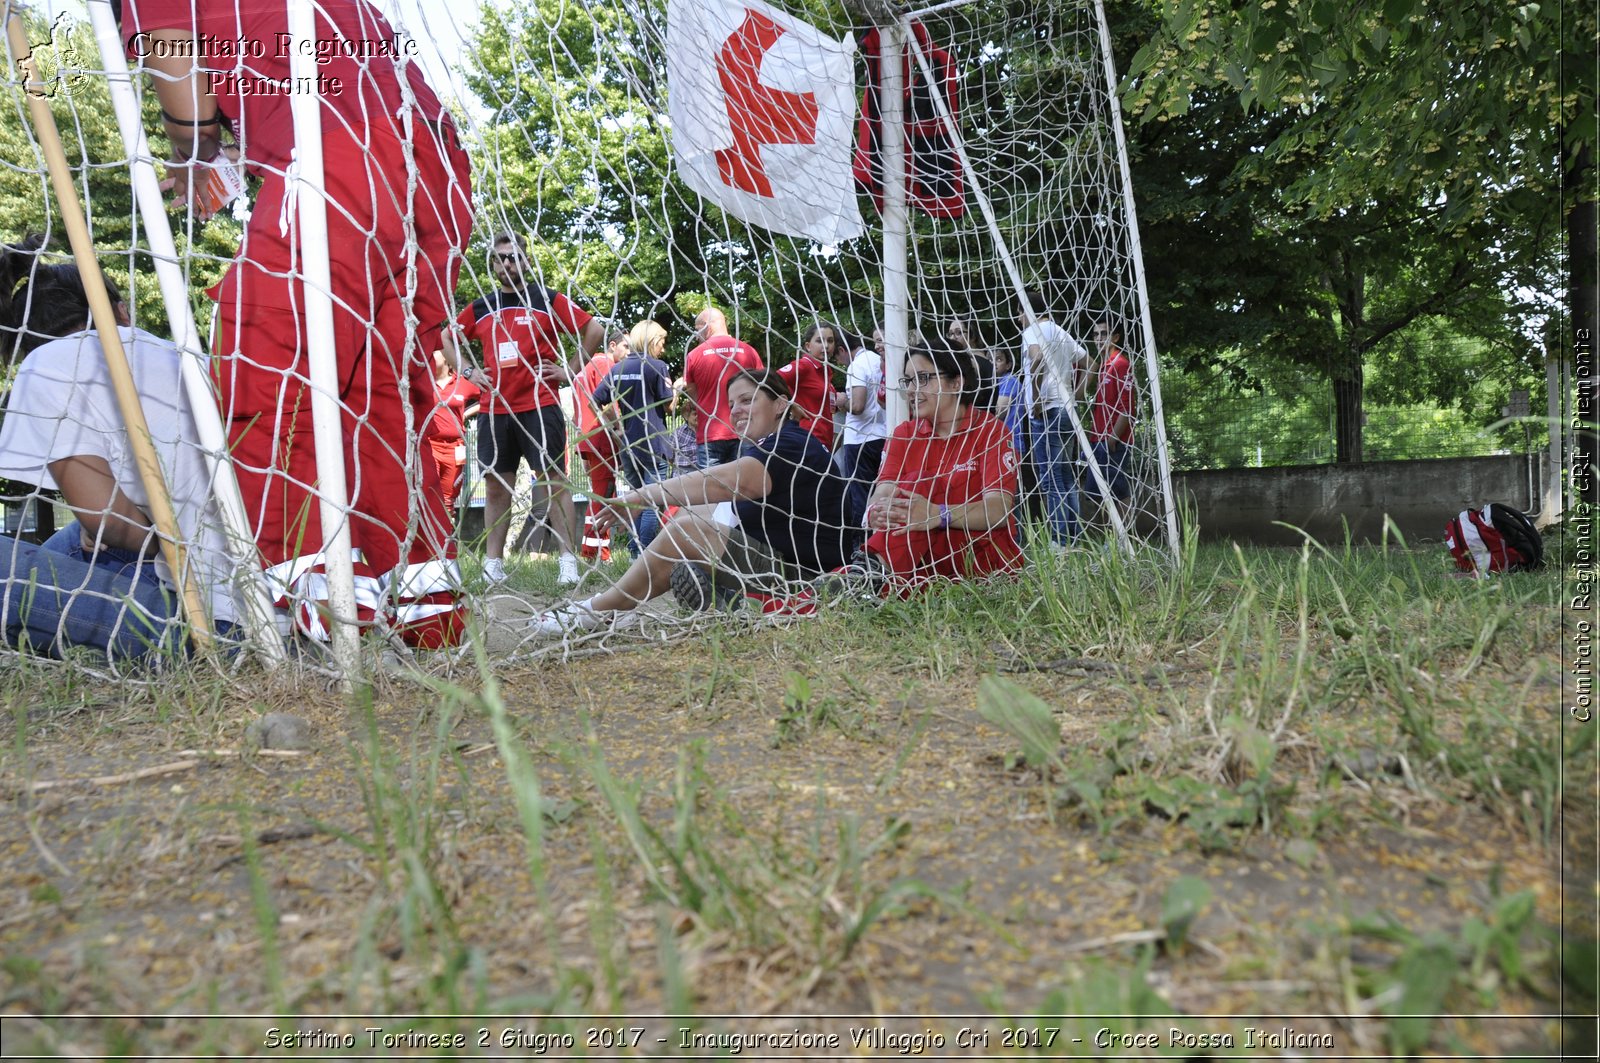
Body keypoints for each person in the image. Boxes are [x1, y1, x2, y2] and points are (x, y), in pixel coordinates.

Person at [121, 0, 474, 647]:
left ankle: (319, 608)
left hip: (339, 145)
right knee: (380, 396)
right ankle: (425, 607)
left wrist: (193, 149)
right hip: (434, 158)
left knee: (267, 372)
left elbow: (173, 51)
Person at [0, 241, 237, 661]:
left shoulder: (46, 366)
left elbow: (110, 522)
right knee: (72, 539)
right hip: (258, 586)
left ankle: (186, 646)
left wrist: (128, 535)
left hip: (204, 618)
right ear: (121, 310)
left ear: (21, 342)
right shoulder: (178, 353)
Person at [531, 368, 857, 635]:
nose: (738, 410)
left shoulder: (790, 442)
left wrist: (640, 497)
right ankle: (721, 598)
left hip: (809, 578)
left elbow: (728, 482)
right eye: (733, 404)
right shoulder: (777, 441)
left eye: (748, 399)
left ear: (780, 404)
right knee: (693, 516)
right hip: (783, 562)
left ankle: (598, 610)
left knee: (688, 528)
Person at [442, 232, 605, 586]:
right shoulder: (482, 306)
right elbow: (447, 338)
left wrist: (570, 370)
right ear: (493, 265)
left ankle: (567, 562)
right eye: (500, 258)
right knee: (497, 486)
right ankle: (493, 565)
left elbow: (593, 329)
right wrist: (468, 371)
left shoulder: (547, 299)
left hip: (540, 406)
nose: (508, 264)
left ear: (526, 261)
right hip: (494, 410)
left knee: (553, 482)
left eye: (514, 257)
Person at [847, 341, 1023, 590]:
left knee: (922, 483)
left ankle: (870, 575)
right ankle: (866, 578)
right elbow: (884, 490)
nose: (911, 390)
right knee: (826, 593)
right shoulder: (904, 434)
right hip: (921, 563)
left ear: (956, 383)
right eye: (908, 381)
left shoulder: (990, 430)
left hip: (981, 563)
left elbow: (999, 510)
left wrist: (937, 514)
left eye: (923, 378)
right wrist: (876, 510)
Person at [1017, 288, 1090, 548]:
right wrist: (1077, 393)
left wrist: (1036, 395)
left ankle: (1059, 541)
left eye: (1020, 313)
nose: (1019, 319)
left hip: (1047, 411)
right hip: (1068, 410)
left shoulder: (1032, 332)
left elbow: (1036, 357)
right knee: (1067, 476)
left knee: (1051, 478)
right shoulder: (1060, 331)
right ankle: (1074, 538)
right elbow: (1088, 362)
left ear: (1026, 311)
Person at [592, 320, 675, 549]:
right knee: (652, 501)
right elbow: (669, 406)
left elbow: (595, 400)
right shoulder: (657, 366)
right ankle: (643, 553)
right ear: (652, 341)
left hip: (628, 445)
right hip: (654, 444)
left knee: (634, 501)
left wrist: (616, 427)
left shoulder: (618, 368)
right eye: (661, 343)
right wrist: (677, 388)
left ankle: (633, 554)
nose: (663, 349)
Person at [682, 305, 763, 468]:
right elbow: (762, 387)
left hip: (710, 434)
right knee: (745, 488)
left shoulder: (694, 355)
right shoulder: (749, 351)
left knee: (712, 489)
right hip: (744, 431)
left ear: (707, 326)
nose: (697, 337)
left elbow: (691, 392)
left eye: (697, 330)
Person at [571, 330, 624, 551]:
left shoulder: (586, 366)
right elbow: (608, 403)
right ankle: (595, 552)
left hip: (587, 437)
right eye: (627, 347)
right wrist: (621, 429)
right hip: (602, 437)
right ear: (612, 345)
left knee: (601, 494)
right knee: (603, 497)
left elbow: (577, 411)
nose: (630, 353)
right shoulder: (605, 364)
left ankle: (593, 547)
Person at [833, 324, 887, 525]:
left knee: (861, 496)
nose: (838, 362)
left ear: (842, 350)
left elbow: (857, 406)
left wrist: (841, 402)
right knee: (880, 493)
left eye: (836, 356)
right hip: (883, 436)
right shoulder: (877, 359)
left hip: (861, 440)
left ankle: (861, 545)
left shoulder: (857, 365)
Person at [1084, 318, 1135, 505]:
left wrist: (1113, 438)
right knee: (1098, 495)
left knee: (1117, 492)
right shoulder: (1103, 367)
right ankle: (1109, 535)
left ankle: (1125, 534)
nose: (1099, 338)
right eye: (1096, 334)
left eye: (1104, 334)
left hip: (1113, 441)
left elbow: (1127, 408)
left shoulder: (1120, 364)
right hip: (1098, 439)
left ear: (1116, 337)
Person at [426, 347, 480, 518]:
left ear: (447, 357)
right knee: (429, 492)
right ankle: (430, 537)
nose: (432, 355)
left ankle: (447, 539)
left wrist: (466, 413)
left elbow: (489, 396)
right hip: (430, 446)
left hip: (455, 448)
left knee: (449, 497)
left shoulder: (462, 382)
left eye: (436, 351)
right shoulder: (425, 383)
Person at [778, 322, 839, 450]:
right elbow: (771, 379)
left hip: (824, 442)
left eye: (830, 341)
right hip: (807, 440)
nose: (826, 346)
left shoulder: (826, 371)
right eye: (819, 341)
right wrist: (790, 405)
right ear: (808, 346)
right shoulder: (804, 365)